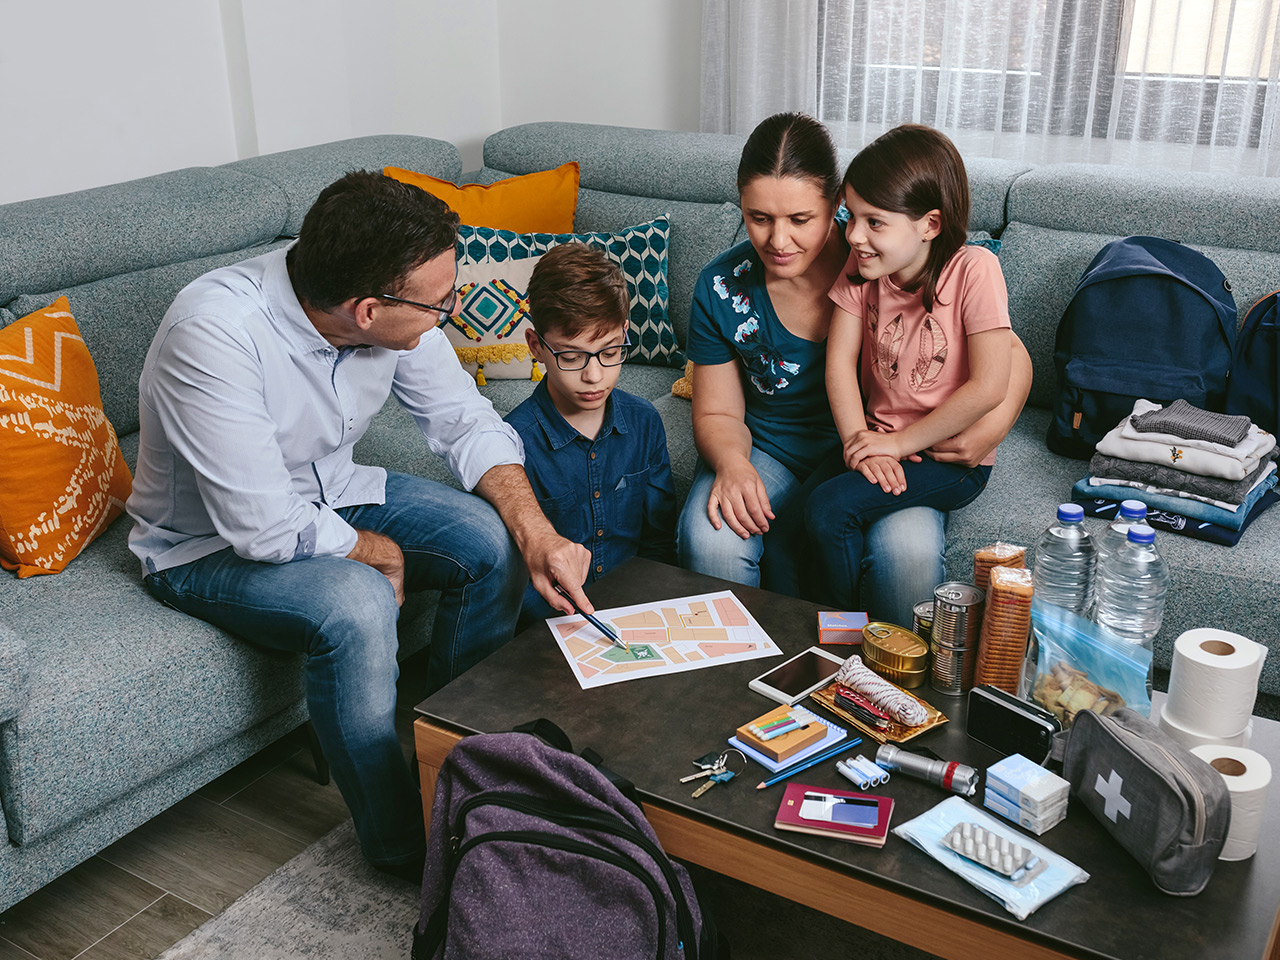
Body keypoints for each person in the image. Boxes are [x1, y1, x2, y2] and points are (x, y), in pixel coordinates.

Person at [126, 171, 591, 880]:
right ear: (369, 310)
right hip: (205, 547)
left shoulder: (387, 306)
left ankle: (459, 772)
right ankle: (404, 846)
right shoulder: (215, 333)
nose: (453, 312)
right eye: (443, 303)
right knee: (359, 601)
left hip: (332, 493)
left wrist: (537, 532)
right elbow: (260, 525)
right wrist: (373, 551)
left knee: (488, 541)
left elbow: (464, 420)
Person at [677, 113, 1032, 623]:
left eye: (801, 219)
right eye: (758, 217)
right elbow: (719, 413)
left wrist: (991, 425)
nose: (778, 240)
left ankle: (888, 686)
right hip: (785, 447)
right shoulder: (724, 287)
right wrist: (734, 465)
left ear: (834, 204)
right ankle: (758, 673)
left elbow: (1004, 357)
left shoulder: (877, 250)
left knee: (904, 555)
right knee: (711, 540)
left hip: (897, 445)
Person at [806, 124, 1012, 608]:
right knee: (791, 514)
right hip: (878, 438)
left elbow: (989, 385)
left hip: (946, 458)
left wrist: (896, 444)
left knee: (829, 510)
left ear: (930, 225)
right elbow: (837, 364)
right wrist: (862, 442)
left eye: (874, 222)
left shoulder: (975, 270)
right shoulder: (862, 270)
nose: (853, 235)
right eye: (850, 216)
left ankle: (840, 647)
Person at [505, 244, 677, 626]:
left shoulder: (645, 421)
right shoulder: (512, 442)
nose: (594, 376)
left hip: (636, 612)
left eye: (610, 351)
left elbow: (658, 542)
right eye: (570, 356)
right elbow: (513, 575)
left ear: (625, 334)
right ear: (536, 346)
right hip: (549, 624)